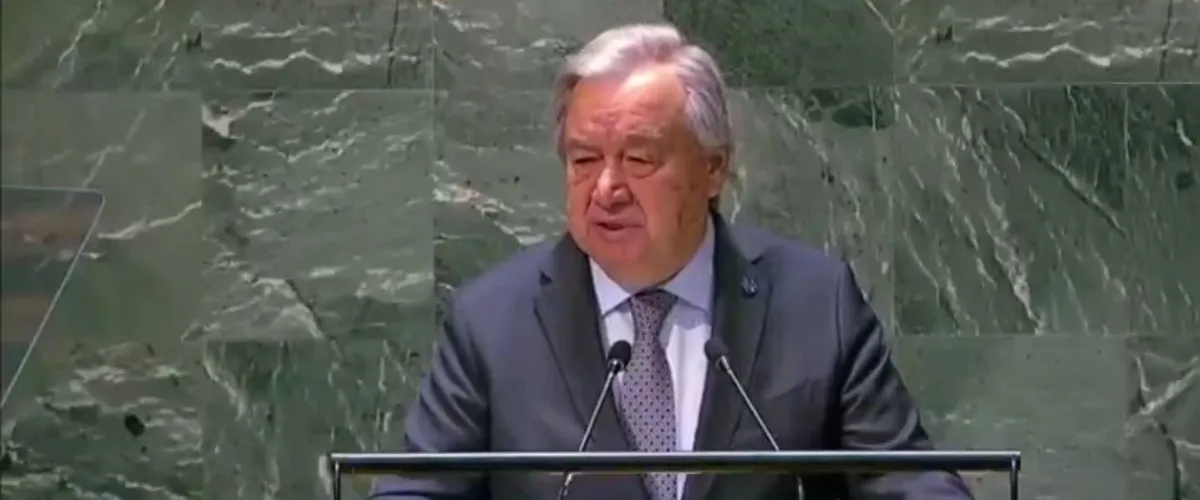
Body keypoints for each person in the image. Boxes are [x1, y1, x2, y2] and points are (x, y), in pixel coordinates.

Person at [372, 22, 974, 500]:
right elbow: (415, 492)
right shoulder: (492, 323)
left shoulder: (816, 305)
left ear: (713, 169)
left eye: (639, 160)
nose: (606, 188)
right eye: (584, 160)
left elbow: (912, 483)